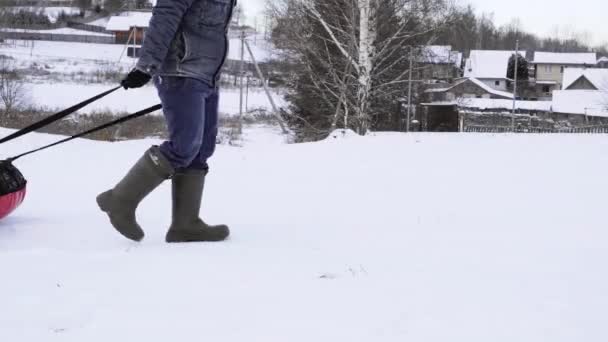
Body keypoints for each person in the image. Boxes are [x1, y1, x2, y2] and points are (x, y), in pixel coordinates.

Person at [96, 0, 236, 243]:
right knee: (184, 146)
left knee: (202, 148)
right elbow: (165, 14)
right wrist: (147, 64)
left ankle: (186, 224)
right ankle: (120, 200)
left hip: (207, 75)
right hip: (181, 71)